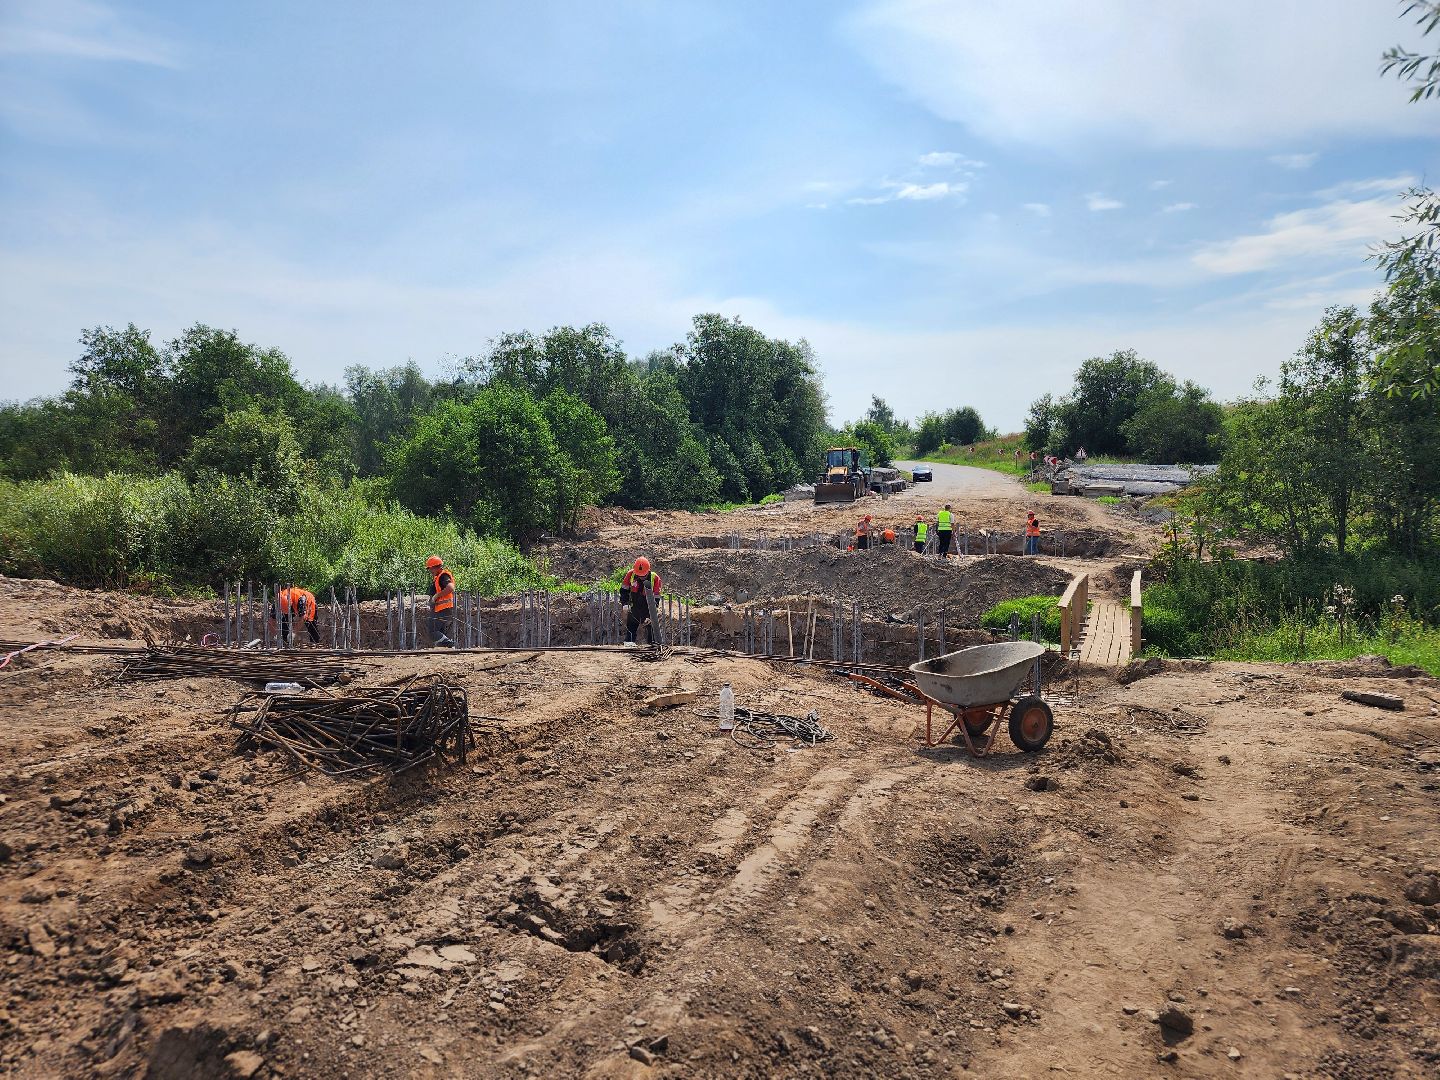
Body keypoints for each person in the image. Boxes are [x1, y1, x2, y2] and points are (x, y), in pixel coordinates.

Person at [621, 557, 662, 646]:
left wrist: (650, 615)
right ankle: (628, 647)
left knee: (652, 631)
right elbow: (624, 590)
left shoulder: (655, 578)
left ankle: (653, 648)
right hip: (634, 606)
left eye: (643, 575)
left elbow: (656, 598)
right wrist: (625, 604)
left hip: (648, 606)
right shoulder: (630, 574)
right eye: (639, 575)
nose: (641, 577)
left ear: (648, 570)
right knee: (631, 629)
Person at [426, 555, 456, 647]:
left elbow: (451, 587)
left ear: (436, 567)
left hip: (442, 609)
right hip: (441, 608)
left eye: (430, 568)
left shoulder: (443, 576)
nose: (430, 571)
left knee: (432, 630)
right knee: (440, 631)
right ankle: (446, 648)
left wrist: (436, 596)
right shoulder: (438, 577)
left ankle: (450, 643)